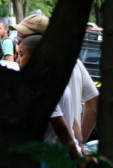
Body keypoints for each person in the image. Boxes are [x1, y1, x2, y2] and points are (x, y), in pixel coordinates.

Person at [9, 14, 99, 141]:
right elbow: (94, 104)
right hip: (67, 153)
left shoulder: (44, 76)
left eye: (22, 38)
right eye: (18, 38)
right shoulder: (73, 62)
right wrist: (78, 145)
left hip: (48, 154)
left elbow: (59, 122)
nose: (18, 44)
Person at [18, 35, 86, 167]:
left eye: (21, 54)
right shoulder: (54, 80)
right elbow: (72, 123)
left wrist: (79, 159)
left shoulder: (42, 85)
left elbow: (60, 126)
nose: (17, 60)